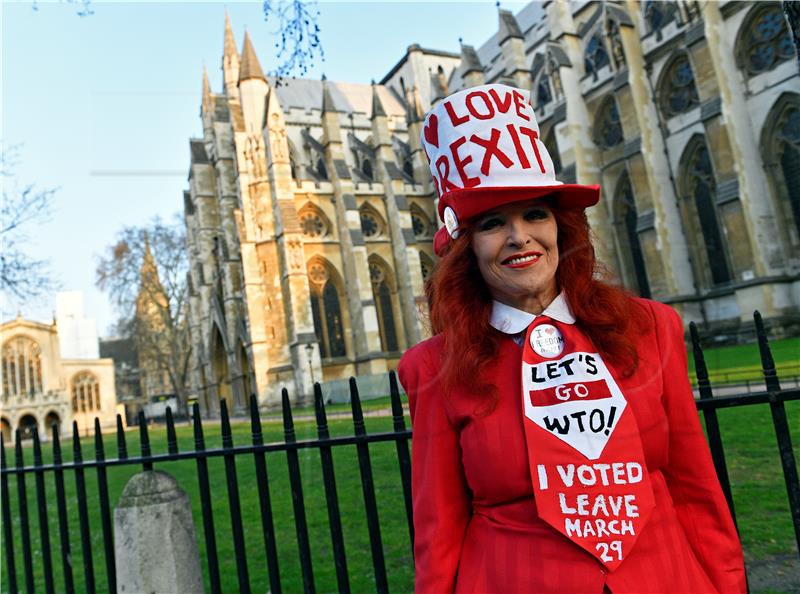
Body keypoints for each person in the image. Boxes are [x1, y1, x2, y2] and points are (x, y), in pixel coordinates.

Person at [397, 84, 746, 594]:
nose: (520, 237)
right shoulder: (433, 367)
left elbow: (696, 489)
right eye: (493, 223)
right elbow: (438, 528)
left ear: (561, 227)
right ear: (466, 248)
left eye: (535, 214)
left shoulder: (649, 328)